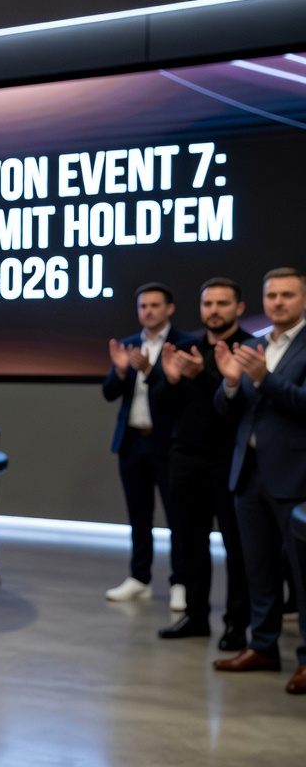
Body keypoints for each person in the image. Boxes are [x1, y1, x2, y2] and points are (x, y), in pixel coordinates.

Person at [212, 267, 306, 695]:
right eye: (272, 296)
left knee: (303, 576)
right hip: (247, 474)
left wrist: (265, 380)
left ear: (302, 299)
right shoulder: (251, 344)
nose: (278, 303)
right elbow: (226, 410)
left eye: (287, 295)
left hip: (295, 476)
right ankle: (263, 647)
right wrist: (231, 383)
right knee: (258, 570)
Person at [151, 278, 251, 648]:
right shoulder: (185, 345)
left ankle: (236, 625)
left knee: (237, 547)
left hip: (228, 461)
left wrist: (204, 375)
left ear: (238, 308)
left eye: (223, 304)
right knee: (189, 542)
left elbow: (241, 404)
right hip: (184, 458)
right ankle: (195, 616)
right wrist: (172, 380)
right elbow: (162, 403)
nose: (214, 311)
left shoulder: (248, 347)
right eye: (208, 304)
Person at [103, 282, 194, 603]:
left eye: (155, 305)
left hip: (169, 444)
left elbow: (181, 395)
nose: (148, 311)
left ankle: (180, 583)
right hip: (132, 442)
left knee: (178, 517)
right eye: (143, 306)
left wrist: (151, 370)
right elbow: (109, 393)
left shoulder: (185, 344)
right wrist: (120, 370)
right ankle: (139, 577)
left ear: (169, 308)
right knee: (138, 515)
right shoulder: (128, 345)